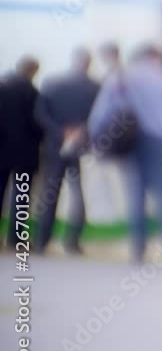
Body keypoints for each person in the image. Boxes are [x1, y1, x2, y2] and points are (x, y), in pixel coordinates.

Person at [88, 45, 162, 264]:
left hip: (127, 141)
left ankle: (138, 249)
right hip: (155, 139)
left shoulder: (119, 76)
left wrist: (96, 138)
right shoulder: (159, 77)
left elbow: (101, 112)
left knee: (135, 194)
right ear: (153, 57)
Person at [33, 48, 101, 255]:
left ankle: (41, 241)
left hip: (55, 146)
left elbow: (40, 113)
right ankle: (72, 242)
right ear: (88, 63)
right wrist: (80, 130)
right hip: (80, 147)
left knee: (49, 193)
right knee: (77, 193)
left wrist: (60, 131)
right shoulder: (95, 87)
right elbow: (100, 116)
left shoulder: (52, 82)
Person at [0, 57, 43, 251]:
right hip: (25, 154)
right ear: (33, 71)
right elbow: (38, 124)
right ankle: (16, 239)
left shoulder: (2, 87)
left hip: (2, 151)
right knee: (21, 197)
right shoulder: (32, 92)